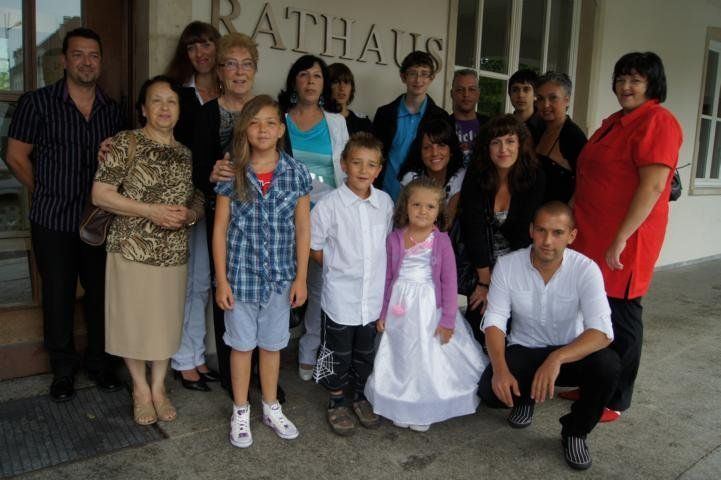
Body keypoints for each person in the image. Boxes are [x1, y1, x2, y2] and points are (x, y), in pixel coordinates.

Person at [6, 27, 124, 402]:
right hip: (52, 218)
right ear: (64, 61)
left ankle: (100, 364)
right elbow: (15, 156)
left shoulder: (112, 110)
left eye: (93, 55)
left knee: (101, 295)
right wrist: (44, 190)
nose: (86, 62)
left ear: (100, 62)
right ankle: (63, 371)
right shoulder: (37, 103)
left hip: (99, 220)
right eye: (78, 54)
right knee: (57, 296)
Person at [571, 52, 683, 423]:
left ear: (652, 84)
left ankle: (615, 397)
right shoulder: (615, 121)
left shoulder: (657, 122)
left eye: (635, 79)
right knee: (594, 310)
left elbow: (653, 187)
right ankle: (593, 383)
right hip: (592, 234)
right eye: (621, 78)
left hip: (624, 239)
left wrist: (621, 237)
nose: (625, 86)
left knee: (622, 316)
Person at [92, 76, 204, 425]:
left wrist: (190, 215)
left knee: (164, 324)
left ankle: (159, 387)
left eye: (171, 101)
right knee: (134, 323)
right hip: (131, 248)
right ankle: (140, 390)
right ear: (143, 109)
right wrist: (150, 211)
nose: (164, 107)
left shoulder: (185, 153)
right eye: (156, 100)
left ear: (179, 109)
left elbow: (197, 198)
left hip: (173, 253)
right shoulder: (125, 142)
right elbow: (100, 194)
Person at [478, 201, 621, 470]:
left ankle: (575, 432)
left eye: (557, 233)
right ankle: (525, 399)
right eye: (541, 230)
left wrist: (556, 358)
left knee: (608, 365)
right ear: (531, 230)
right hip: (525, 350)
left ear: (571, 235)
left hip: (570, 355)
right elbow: (495, 321)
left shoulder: (586, 269)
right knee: (490, 392)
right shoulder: (508, 265)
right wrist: (500, 370)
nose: (547, 241)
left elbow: (603, 332)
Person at [213, 95, 311, 448]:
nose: (263, 129)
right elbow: (220, 229)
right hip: (240, 278)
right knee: (241, 346)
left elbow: (303, 228)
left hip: (281, 279)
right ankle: (240, 409)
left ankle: (271, 406)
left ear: (281, 129)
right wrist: (221, 280)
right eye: (254, 123)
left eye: (270, 122)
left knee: (272, 345)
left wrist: (301, 278)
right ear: (244, 130)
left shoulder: (296, 173)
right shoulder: (233, 171)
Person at [365, 177, 487, 432]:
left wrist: (448, 320)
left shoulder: (441, 241)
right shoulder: (394, 239)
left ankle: (426, 406)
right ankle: (402, 402)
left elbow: (449, 282)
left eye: (430, 206)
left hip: (430, 308)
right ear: (406, 207)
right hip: (400, 307)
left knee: (428, 355)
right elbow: (386, 278)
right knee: (402, 354)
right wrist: (383, 312)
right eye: (417, 205)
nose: (423, 211)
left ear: (439, 210)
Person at [310, 132, 393, 435]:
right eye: (356, 162)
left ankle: (359, 396)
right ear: (344, 164)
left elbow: (388, 244)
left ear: (378, 170)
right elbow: (314, 246)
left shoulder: (385, 203)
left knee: (364, 352)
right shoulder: (329, 205)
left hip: (371, 299)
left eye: (371, 164)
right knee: (337, 351)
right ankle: (336, 400)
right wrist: (337, 268)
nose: (363, 170)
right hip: (341, 298)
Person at [278, 54, 350, 381]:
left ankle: (309, 348)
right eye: (304, 75)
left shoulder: (336, 122)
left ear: (324, 84)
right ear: (294, 81)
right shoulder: (279, 121)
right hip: (285, 216)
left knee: (319, 288)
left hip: (325, 217)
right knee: (282, 286)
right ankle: (273, 347)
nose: (310, 81)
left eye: (317, 76)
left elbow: (345, 172)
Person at [164, 21, 222, 392]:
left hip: (224, 202)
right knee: (192, 281)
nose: (200, 53)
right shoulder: (175, 93)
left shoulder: (229, 91)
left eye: (206, 44)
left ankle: (197, 354)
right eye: (192, 47)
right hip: (186, 201)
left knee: (206, 282)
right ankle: (184, 358)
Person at [459, 114, 545, 344]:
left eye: (510, 141)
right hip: (482, 266)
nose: (503, 149)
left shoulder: (535, 177)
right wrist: (485, 282)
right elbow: (473, 229)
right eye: (495, 142)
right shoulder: (476, 175)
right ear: (486, 147)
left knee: (520, 331)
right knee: (479, 326)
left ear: (520, 144)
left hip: (520, 265)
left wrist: (504, 287)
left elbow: (524, 236)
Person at [373, 50, 450, 201]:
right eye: (412, 73)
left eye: (424, 74)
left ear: (431, 78)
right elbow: (374, 154)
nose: (418, 79)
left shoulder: (441, 117)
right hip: (385, 194)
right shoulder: (384, 114)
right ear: (403, 77)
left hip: (422, 198)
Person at [400, 118, 465, 230]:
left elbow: (447, 223)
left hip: (446, 237)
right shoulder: (410, 179)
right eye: (427, 147)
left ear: (451, 150)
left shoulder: (460, 176)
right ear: (420, 152)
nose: (434, 153)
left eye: (441, 145)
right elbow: (404, 220)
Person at [533, 72, 587, 203]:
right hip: (535, 210)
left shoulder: (573, 136)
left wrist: (567, 211)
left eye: (553, 98)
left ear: (566, 100)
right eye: (540, 98)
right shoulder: (537, 130)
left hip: (558, 213)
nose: (545, 105)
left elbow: (586, 183)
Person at [448, 69, 488, 167]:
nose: (466, 94)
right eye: (460, 90)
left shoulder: (490, 125)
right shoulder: (443, 124)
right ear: (452, 94)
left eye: (471, 89)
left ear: (478, 94)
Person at [328, 62, 373, 135]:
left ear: (351, 88)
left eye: (346, 82)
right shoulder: (318, 119)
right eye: (336, 82)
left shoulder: (363, 122)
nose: (342, 88)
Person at [507, 68, 543, 139]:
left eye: (526, 89)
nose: (520, 95)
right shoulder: (505, 125)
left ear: (536, 95)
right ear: (509, 94)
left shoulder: (545, 126)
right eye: (515, 90)